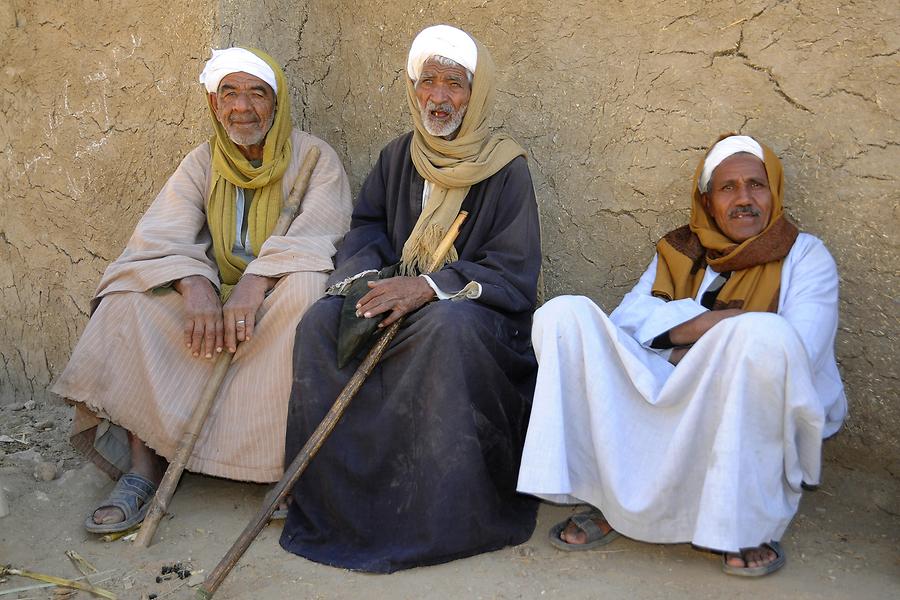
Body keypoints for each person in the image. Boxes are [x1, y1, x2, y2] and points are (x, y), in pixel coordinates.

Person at [52, 47, 353, 533]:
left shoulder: (315, 158)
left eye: (257, 93)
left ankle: (277, 469)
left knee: (307, 294)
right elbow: (159, 237)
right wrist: (196, 286)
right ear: (214, 105)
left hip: (271, 299)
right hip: (214, 306)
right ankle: (144, 466)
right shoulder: (201, 162)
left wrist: (255, 283)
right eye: (228, 94)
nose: (242, 107)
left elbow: (321, 235)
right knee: (126, 297)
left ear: (277, 104)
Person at [517, 134, 846, 577]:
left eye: (756, 185)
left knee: (761, 334)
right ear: (708, 201)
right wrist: (714, 326)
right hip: (672, 381)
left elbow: (795, 349)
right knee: (563, 315)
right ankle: (610, 498)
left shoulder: (805, 256)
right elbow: (628, 319)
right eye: (728, 188)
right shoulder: (681, 249)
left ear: (775, 193)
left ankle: (742, 522)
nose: (744, 199)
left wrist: (690, 340)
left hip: (746, 396)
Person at [280, 25, 542, 573]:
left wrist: (429, 287)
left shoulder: (506, 168)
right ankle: (335, 502)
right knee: (318, 326)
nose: (440, 97)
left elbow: (513, 271)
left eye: (455, 85)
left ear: (477, 94)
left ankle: (437, 514)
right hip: (392, 289)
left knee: (445, 332)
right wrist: (373, 283)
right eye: (429, 82)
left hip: (475, 317)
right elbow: (368, 228)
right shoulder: (398, 157)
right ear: (413, 87)